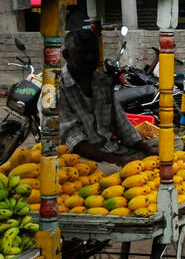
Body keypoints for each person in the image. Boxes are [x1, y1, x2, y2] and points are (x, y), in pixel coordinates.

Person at [60, 29, 158, 165]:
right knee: (112, 172)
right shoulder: (56, 88)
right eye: (82, 53)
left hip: (113, 150)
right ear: (67, 55)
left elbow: (122, 125)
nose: (90, 58)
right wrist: (118, 162)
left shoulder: (102, 81)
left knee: (171, 144)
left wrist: (148, 152)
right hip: (80, 159)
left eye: (94, 52)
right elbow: (75, 142)